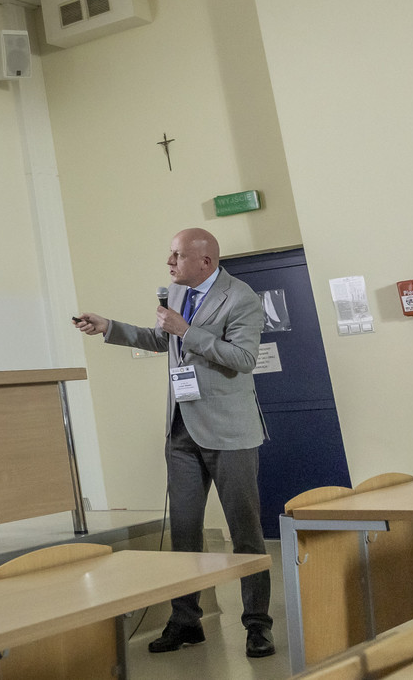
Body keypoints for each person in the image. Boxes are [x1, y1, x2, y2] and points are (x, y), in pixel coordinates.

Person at [72, 227, 273, 659]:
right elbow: (161, 339)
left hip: (230, 434)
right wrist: (109, 327)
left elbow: (243, 359)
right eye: (171, 254)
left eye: (177, 256)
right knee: (183, 534)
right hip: (181, 432)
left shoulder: (241, 298)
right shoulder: (178, 293)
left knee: (245, 534)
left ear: (205, 261)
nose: (169, 262)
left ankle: (258, 624)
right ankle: (186, 621)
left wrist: (187, 330)